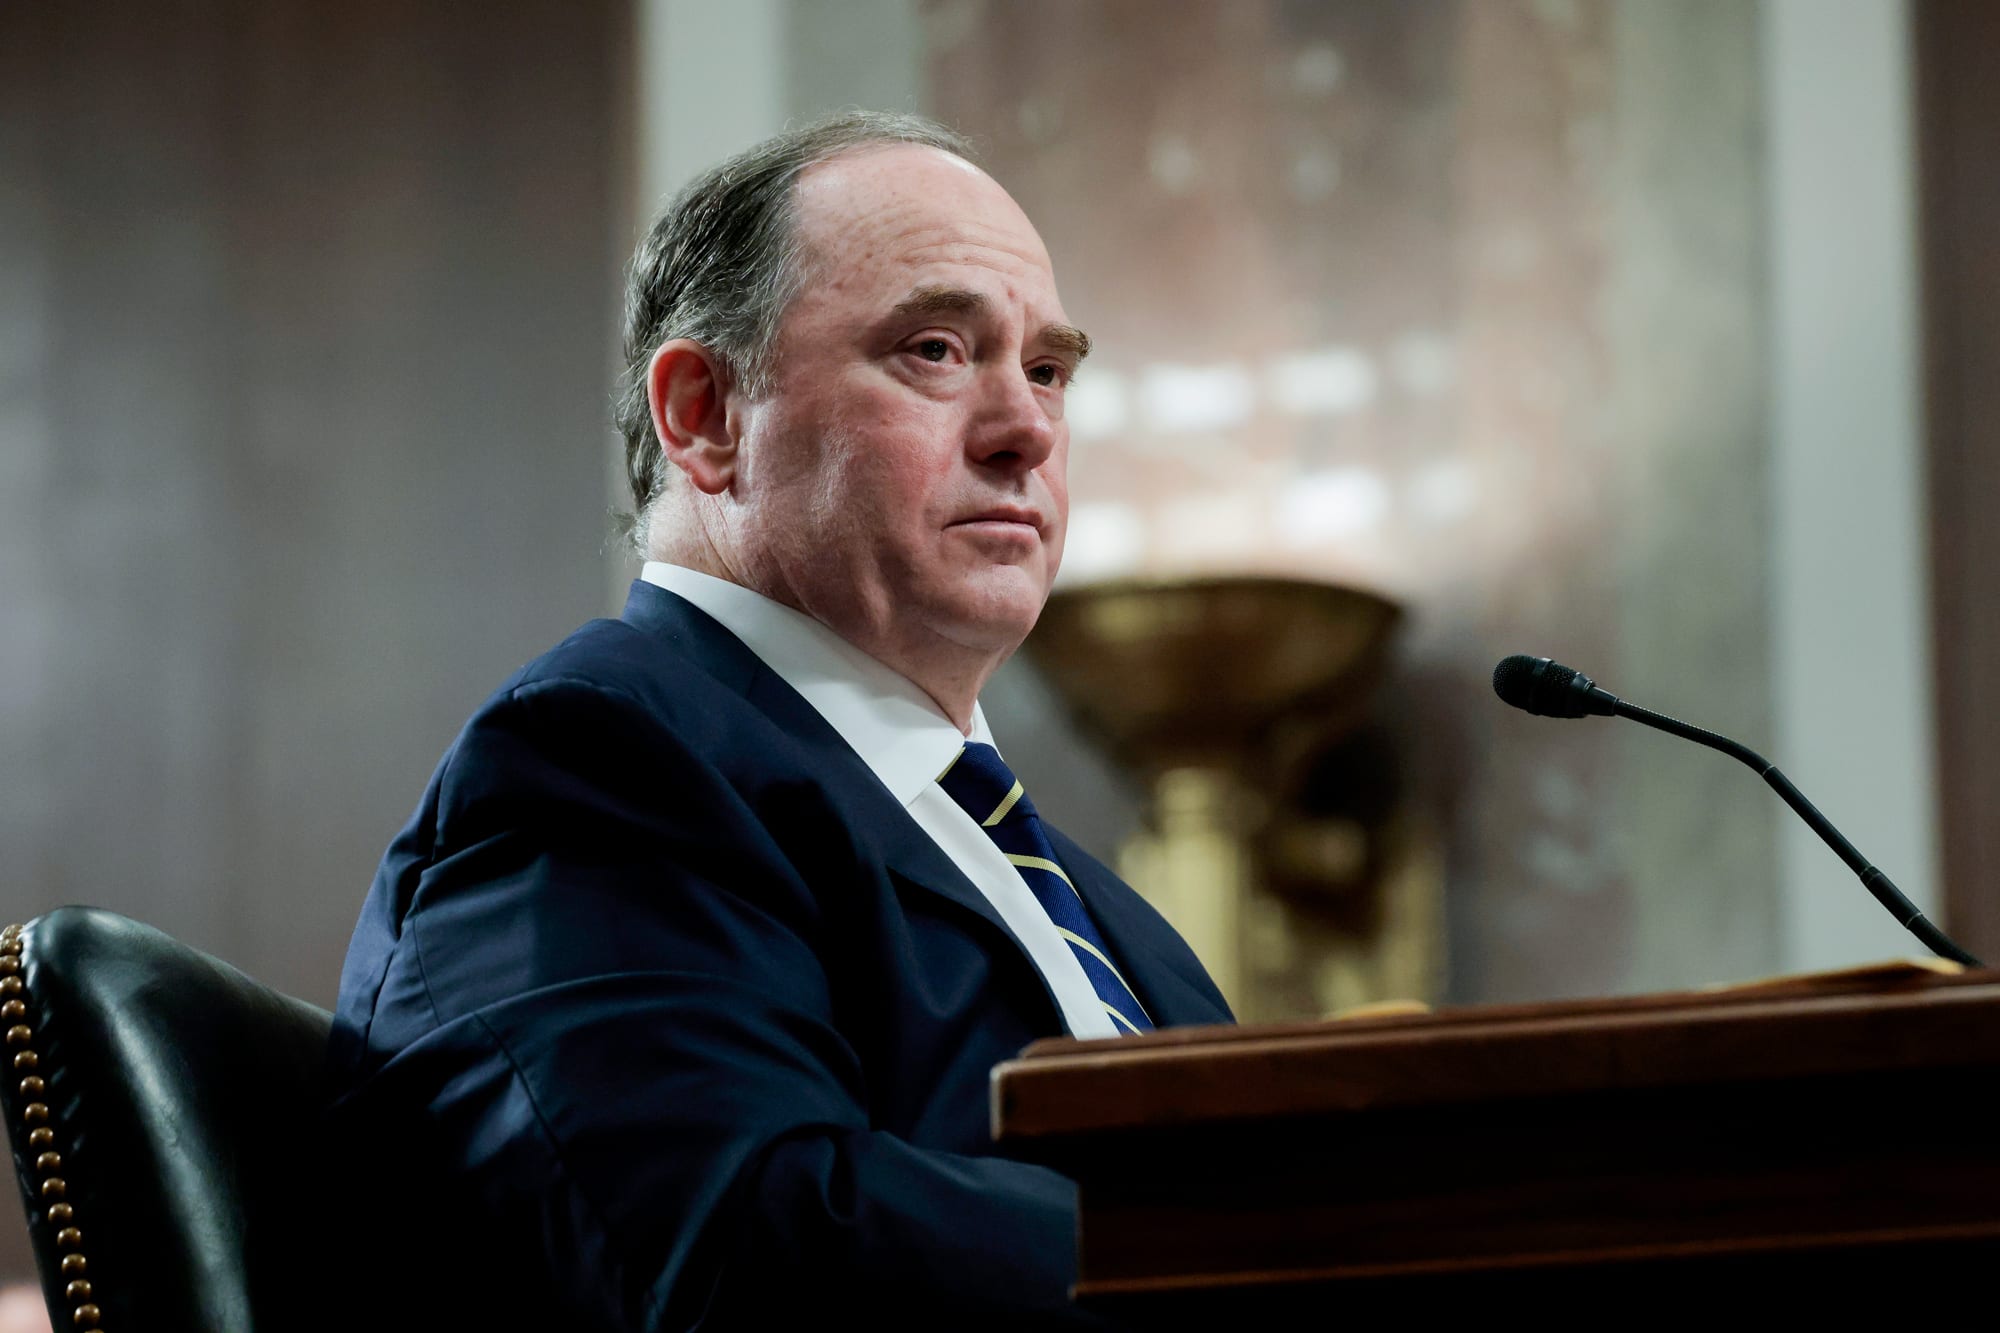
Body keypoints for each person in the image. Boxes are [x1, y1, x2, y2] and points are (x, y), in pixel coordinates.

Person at [319, 111, 1232, 1330]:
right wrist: (1254, 1260)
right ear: (703, 415)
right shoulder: (602, 761)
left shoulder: (1100, 910)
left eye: (1049, 369)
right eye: (934, 349)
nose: (1026, 430)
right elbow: (738, 1249)